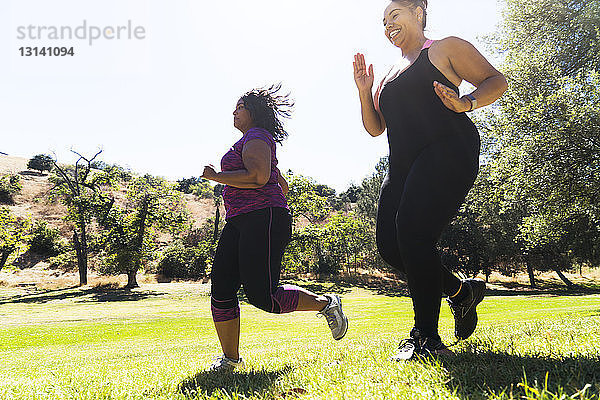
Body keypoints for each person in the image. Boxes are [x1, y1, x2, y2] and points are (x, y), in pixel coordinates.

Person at [353, 0, 507, 360]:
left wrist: (465, 102)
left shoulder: (443, 49)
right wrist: (364, 89)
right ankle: (461, 292)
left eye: (395, 15)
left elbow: (495, 80)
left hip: (448, 148)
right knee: (392, 247)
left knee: (413, 233)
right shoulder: (389, 75)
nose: (388, 24)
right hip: (402, 165)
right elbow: (376, 128)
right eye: (384, 21)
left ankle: (425, 338)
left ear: (418, 13)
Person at [201, 84, 348, 371]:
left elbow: (257, 176)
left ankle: (326, 303)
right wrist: (273, 184)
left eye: (240, 106)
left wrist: (218, 176)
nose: (234, 111)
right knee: (221, 288)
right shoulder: (252, 140)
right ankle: (230, 360)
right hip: (241, 219)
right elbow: (278, 181)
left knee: (263, 296)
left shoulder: (257, 135)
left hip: (262, 217)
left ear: (254, 112)